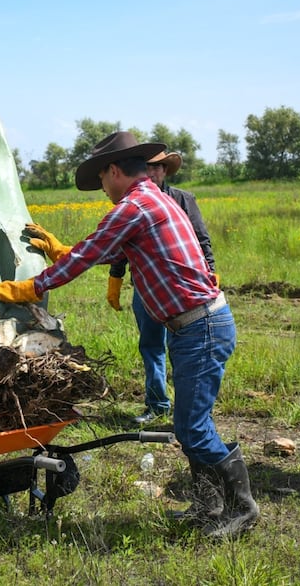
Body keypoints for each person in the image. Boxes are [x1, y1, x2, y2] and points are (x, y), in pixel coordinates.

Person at [0, 132, 258, 537]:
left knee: (193, 429)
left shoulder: (135, 205)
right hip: (196, 326)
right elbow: (110, 252)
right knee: (192, 425)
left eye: (101, 180)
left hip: (200, 327)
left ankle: (241, 509)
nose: (102, 189)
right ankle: (208, 506)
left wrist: (30, 288)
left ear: (113, 171)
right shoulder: (154, 199)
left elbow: (92, 253)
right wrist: (62, 251)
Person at [109, 150, 216, 424]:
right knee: (151, 345)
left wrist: (211, 272)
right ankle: (157, 405)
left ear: (165, 171)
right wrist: (116, 277)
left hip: (181, 292)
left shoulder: (182, 199)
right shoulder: (130, 204)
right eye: (147, 167)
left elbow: (201, 239)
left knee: (184, 349)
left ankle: (189, 410)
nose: (152, 172)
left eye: (157, 167)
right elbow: (120, 246)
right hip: (146, 289)